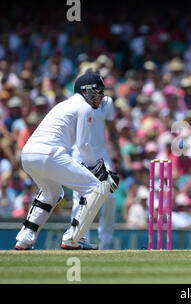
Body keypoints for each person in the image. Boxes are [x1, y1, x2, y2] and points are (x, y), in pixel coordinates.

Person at [14, 71, 119, 250]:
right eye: (97, 91)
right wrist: (100, 170)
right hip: (49, 153)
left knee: (52, 193)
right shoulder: (84, 106)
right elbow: (83, 145)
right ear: (85, 91)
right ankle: (73, 238)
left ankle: (24, 238)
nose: (101, 97)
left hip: (29, 155)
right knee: (95, 188)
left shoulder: (65, 104)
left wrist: (96, 168)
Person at [70, 70, 121, 249]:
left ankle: (105, 242)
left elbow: (113, 130)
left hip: (102, 155)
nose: (101, 93)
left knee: (111, 197)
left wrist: (118, 153)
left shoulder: (107, 104)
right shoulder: (75, 103)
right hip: (79, 155)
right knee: (81, 198)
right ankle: (78, 239)